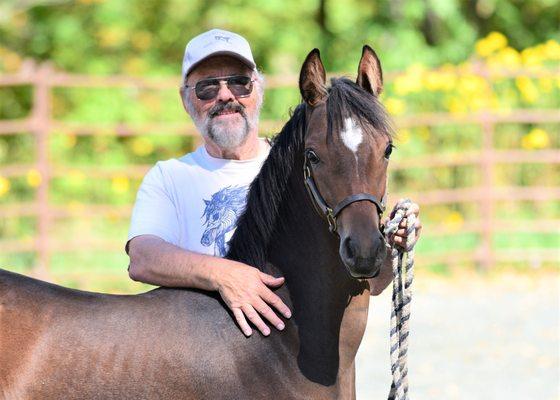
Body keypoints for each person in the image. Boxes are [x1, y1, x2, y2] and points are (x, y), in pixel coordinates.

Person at [126, 29, 422, 338]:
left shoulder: (306, 171)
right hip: (200, 349)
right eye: (207, 87)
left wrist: (390, 243)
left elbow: (368, 280)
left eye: (239, 82)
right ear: (186, 101)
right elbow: (143, 259)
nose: (225, 95)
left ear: (258, 91)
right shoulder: (169, 177)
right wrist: (223, 274)